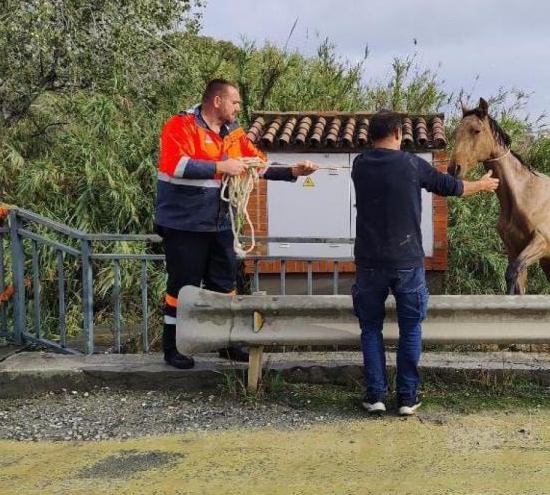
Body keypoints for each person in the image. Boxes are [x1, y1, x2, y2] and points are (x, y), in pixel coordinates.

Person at [156, 79, 318, 369]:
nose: (238, 107)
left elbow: (258, 164)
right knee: (182, 287)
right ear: (217, 101)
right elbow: (175, 165)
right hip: (184, 224)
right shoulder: (180, 126)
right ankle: (174, 347)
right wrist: (221, 166)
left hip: (220, 221)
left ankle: (227, 343)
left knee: (225, 284)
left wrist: (293, 171)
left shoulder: (233, 134)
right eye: (235, 102)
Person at [351, 110, 499, 414]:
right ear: (397, 134)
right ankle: (407, 398)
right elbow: (453, 187)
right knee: (410, 328)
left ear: (372, 134)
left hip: (368, 262)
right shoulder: (413, 164)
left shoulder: (360, 165)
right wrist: (483, 185)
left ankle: (376, 396)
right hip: (407, 262)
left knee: (370, 328)